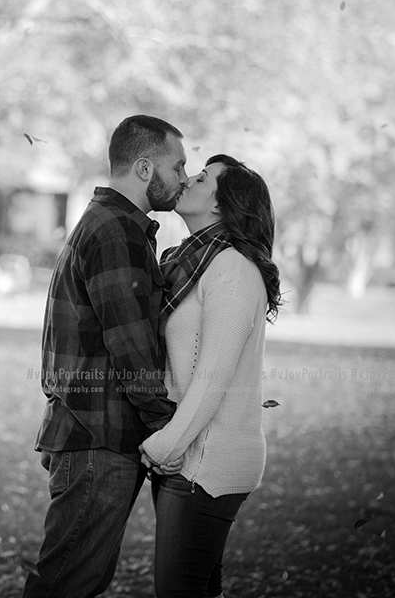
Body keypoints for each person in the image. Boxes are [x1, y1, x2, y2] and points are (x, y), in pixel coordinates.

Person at [22, 115, 189, 598]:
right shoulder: (116, 231)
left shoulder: (111, 223)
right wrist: (168, 428)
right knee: (65, 585)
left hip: (90, 432)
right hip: (99, 438)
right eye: (177, 166)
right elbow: (132, 347)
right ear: (143, 168)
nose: (183, 177)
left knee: (76, 581)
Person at [139, 154, 282, 598]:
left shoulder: (233, 270)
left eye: (201, 178)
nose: (188, 180)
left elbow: (213, 376)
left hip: (207, 463)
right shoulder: (195, 261)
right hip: (188, 453)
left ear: (221, 206)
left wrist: (165, 445)